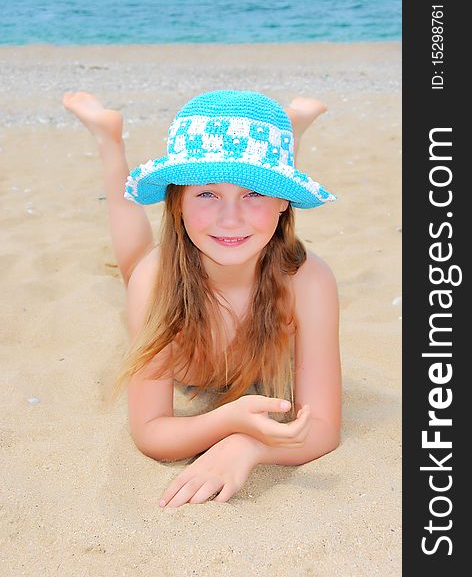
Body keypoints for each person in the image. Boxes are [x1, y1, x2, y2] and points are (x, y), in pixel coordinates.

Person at [62, 89, 342, 509]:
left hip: (271, 240)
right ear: (177, 201)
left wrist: (250, 446)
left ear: (284, 201)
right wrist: (226, 420)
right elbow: (150, 431)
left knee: (252, 201)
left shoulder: (309, 281)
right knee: (135, 267)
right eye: (206, 193)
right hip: (167, 276)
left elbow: (324, 425)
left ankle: (283, 139)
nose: (230, 217)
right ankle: (109, 138)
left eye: (255, 193)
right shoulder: (156, 281)